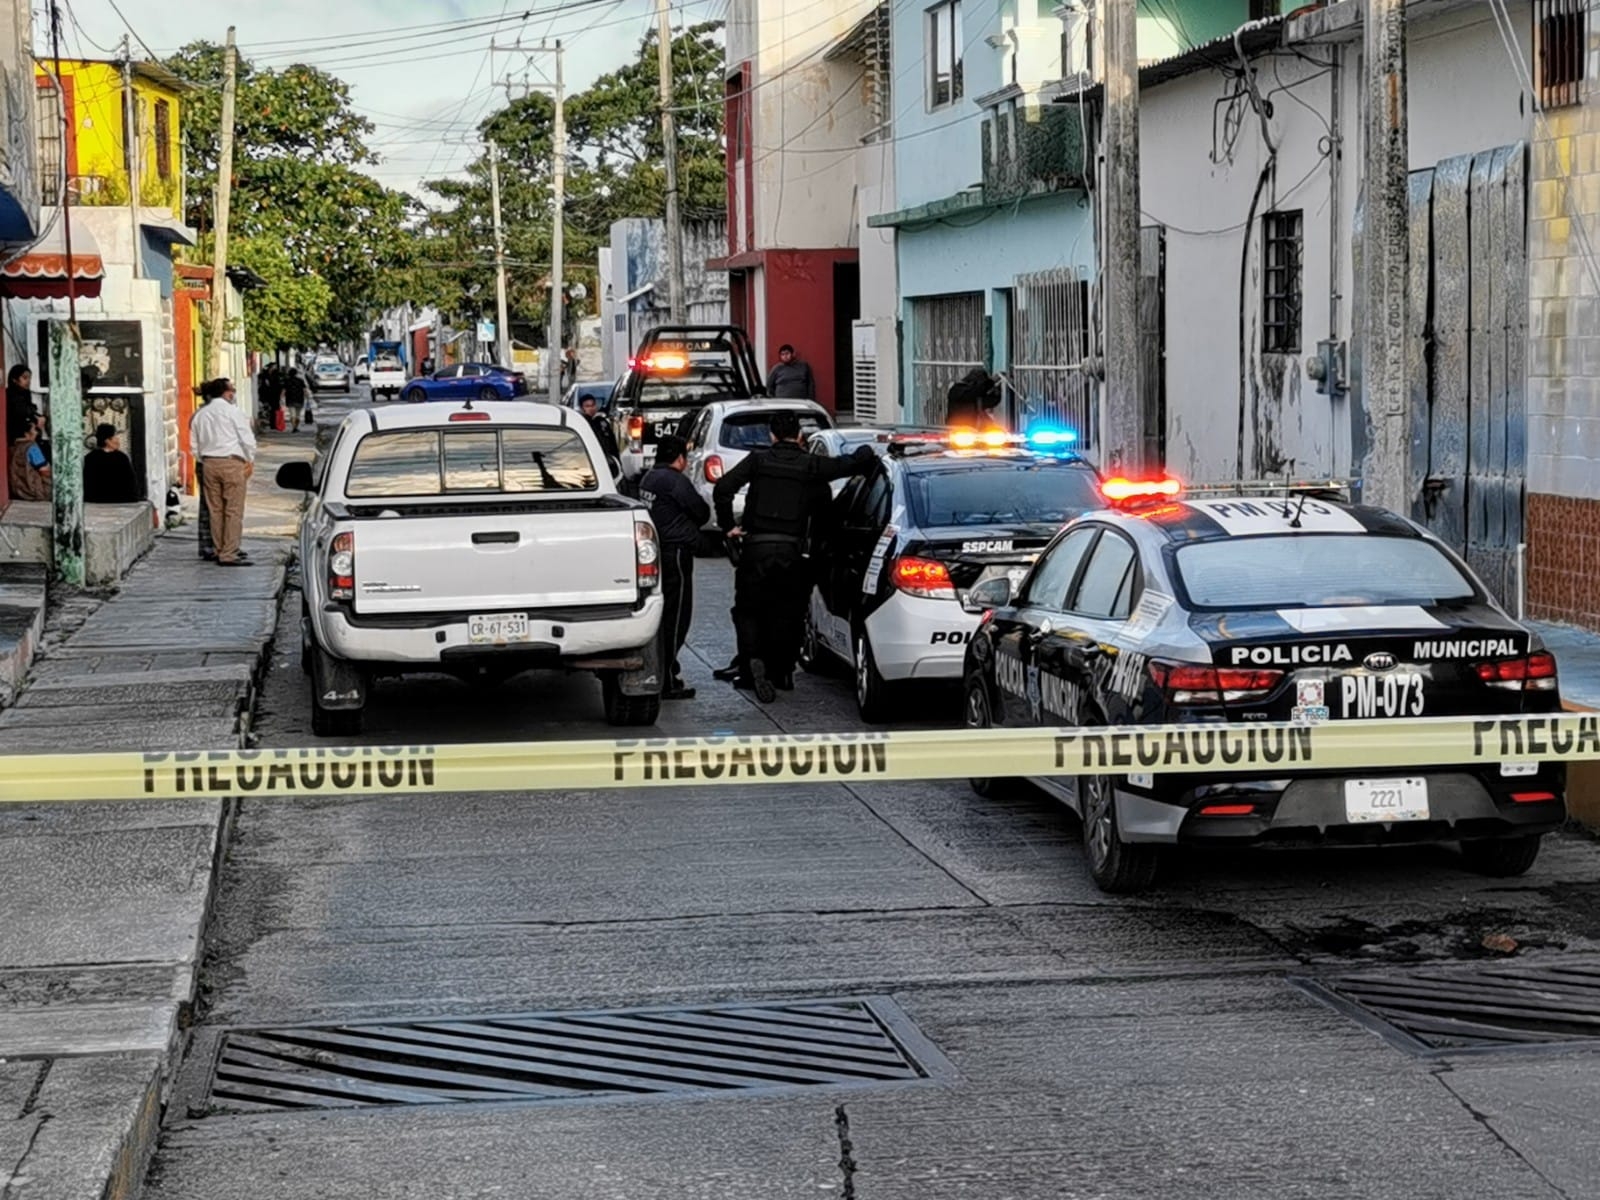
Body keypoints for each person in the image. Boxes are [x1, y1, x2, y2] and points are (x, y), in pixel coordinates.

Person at [712, 409, 876, 701]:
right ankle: (782, 672)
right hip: (791, 550)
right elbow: (846, 465)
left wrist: (728, 527)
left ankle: (752, 663)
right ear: (799, 435)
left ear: (771, 436)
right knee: (787, 611)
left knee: (748, 609)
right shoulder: (810, 464)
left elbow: (723, 488)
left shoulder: (758, 461)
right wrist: (866, 452)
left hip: (756, 548)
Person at [639, 434, 709, 701]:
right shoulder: (674, 480)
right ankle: (666, 677)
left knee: (662, 616)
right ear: (679, 458)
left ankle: (666, 669)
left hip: (657, 552)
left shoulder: (649, 478)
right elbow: (701, 511)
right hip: (676, 554)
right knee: (676, 617)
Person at [189, 378, 256, 566]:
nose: (233, 393)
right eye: (231, 390)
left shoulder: (200, 415)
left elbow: (194, 444)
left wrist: (203, 460)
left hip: (209, 463)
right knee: (233, 511)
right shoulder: (233, 412)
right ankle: (229, 552)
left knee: (215, 511)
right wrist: (250, 459)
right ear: (225, 392)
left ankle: (219, 550)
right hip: (231, 462)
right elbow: (247, 439)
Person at [82, 423, 139, 503]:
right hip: (118, 500)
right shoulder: (121, 458)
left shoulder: (90, 458)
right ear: (107, 440)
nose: (118, 440)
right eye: (115, 437)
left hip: (97, 501)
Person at [6, 409, 50, 501]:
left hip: (16, 491)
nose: (36, 432)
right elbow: (44, 471)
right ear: (26, 434)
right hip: (35, 491)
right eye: (34, 429)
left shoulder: (11, 448)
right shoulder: (31, 447)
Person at [284, 367, 309, 433]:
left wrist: (281, 399)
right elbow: (305, 390)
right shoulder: (300, 380)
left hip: (290, 400)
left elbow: (284, 390)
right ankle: (296, 427)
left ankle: (294, 427)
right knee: (298, 415)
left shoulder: (287, 381)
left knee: (292, 415)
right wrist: (307, 396)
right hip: (299, 400)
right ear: (296, 373)